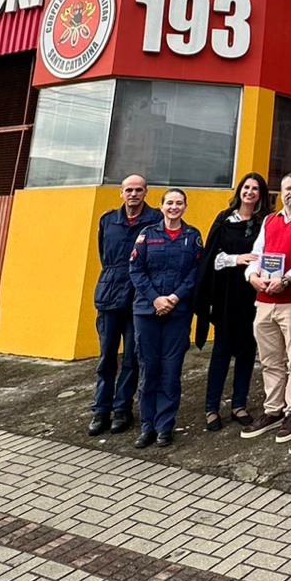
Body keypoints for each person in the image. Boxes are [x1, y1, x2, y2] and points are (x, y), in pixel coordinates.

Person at [240, 173, 291, 445]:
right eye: (287, 188)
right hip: (264, 302)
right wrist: (252, 276)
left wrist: (287, 279)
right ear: (280, 192)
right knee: (270, 360)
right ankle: (273, 410)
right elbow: (256, 254)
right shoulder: (270, 220)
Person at [194, 172, 269, 432]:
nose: (250, 192)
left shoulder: (263, 223)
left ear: (261, 194)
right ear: (239, 191)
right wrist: (236, 259)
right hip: (226, 294)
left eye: (255, 188)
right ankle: (211, 407)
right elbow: (210, 259)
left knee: (247, 351)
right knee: (222, 351)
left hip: (252, 294)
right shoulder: (224, 220)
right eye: (246, 187)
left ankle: (239, 404)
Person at [128, 189, 202, 448]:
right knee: (149, 369)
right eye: (169, 203)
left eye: (179, 203)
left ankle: (164, 426)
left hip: (177, 313)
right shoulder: (147, 234)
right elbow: (136, 270)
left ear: (185, 207)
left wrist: (173, 298)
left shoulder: (192, 237)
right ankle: (147, 426)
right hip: (147, 312)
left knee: (171, 372)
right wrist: (155, 299)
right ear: (161, 207)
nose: (174, 207)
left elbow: (194, 273)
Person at [88, 174, 160, 437]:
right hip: (109, 296)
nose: (133, 194)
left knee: (132, 358)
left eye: (138, 190)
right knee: (107, 357)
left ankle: (122, 409)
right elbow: (104, 255)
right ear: (121, 193)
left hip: (138, 299)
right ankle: (100, 409)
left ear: (146, 192)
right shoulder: (108, 221)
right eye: (129, 190)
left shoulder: (155, 221)